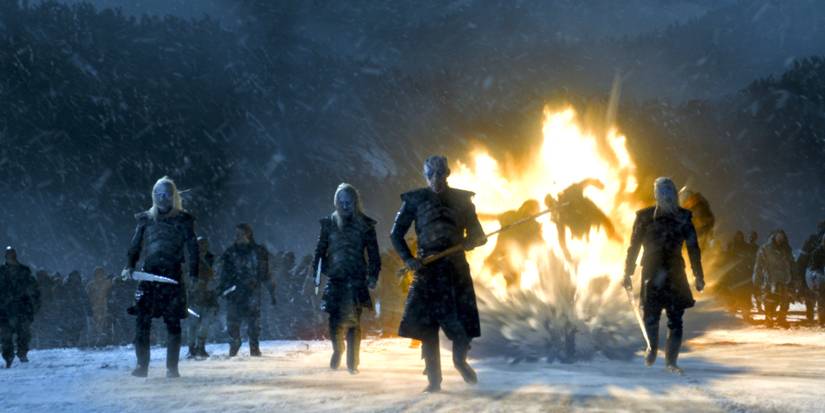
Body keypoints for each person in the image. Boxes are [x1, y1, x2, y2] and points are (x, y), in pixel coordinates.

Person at [390, 155, 487, 392]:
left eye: (440, 174)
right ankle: (434, 381)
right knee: (427, 327)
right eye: (431, 174)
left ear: (447, 174)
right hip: (427, 270)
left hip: (455, 270)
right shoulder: (415, 200)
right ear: (425, 176)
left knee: (461, 325)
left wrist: (470, 241)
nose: (436, 179)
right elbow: (396, 234)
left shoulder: (462, 201)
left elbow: (478, 234)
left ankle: (460, 361)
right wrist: (409, 259)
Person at [624, 177, 705, 374]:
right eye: (664, 192)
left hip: (672, 272)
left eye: (669, 193)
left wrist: (698, 275)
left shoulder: (683, 217)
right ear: (657, 194)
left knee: (674, 318)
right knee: (652, 316)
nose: (667, 197)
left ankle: (670, 360)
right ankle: (653, 349)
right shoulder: (645, 217)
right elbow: (634, 246)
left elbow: (693, 248)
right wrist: (628, 271)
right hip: (654, 271)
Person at [123, 176, 199, 378]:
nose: (162, 198)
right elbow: (135, 245)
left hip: (172, 275)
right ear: (153, 195)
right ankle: (142, 366)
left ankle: (172, 368)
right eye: (158, 194)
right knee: (142, 321)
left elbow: (193, 247)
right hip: (149, 275)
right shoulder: (146, 219)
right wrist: (129, 265)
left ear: (172, 196)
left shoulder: (183, 219)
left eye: (166, 194)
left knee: (173, 322)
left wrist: (194, 273)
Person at [312, 183, 381, 374]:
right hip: (336, 278)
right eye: (341, 202)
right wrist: (317, 273)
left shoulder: (365, 225)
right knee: (335, 320)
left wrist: (373, 276)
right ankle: (338, 349)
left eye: (348, 202)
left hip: (356, 278)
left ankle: (352, 363)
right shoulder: (329, 223)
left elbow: (374, 255)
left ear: (355, 202)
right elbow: (320, 251)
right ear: (336, 202)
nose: (345, 206)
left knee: (354, 322)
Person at [218, 223, 275, 357]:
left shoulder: (258, 251)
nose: (237, 236)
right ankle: (235, 343)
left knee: (253, 322)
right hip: (234, 291)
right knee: (233, 322)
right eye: (236, 233)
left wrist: (271, 290)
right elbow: (224, 272)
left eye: (240, 233)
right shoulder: (230, 252)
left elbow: (265, 272)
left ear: (248, 234)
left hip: (252, 291)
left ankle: (254, 347)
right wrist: (222, 288)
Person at [545, 179, 621, 261]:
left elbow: (585, 182)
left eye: (553, 204)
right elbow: (561, 239)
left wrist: (597, 183)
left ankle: (612, 234)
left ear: (556, 200)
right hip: (580, 227)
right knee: (600, 221)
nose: (556, 209)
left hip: (589, 212)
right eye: (552, 207)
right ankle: (611, 236)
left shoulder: (569, 193)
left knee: (603, 219)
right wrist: (567, 254)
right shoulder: (559, 218)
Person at [478, 199, 544, 287]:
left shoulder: (533, 225)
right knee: (480, 282)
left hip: (509, 263)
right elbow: (490, 217)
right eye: (536, 209)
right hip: (501, 259)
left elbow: (540, 245)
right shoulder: (512, 216)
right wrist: (474, 216)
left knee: (510, 288)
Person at [0, 247, 40, 368]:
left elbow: (33, 288)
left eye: (12, 255)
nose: (11, 257)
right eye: (9, 255)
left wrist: (34, 304)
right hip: (5, 310)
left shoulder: (24, 271)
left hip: (22, 308)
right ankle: (8, 357)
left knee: (24, 334)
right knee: (6, 336)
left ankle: (22, 353)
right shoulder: (2, 272)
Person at [753, 230, 794, 328]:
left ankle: (781, 319)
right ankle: (769, 319)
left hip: (785, 279)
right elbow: (758, 266)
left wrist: (794, 278)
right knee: (770, 301)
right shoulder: (765, 249)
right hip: (770, 279)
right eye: (778, 237)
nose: (780, 239)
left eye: (782, 237)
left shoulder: (787, 249)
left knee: (785, 301)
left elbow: (792, 264)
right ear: (774, 237)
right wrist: (757, 280)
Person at [186, 236, 218, 359]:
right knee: (192, 325)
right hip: (194, 297)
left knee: (205, 324)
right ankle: (191, 348)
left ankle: (200, 347)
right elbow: (187, 278)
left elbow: (216, 277)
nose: (202, 247)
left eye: (204, 244)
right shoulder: (191, 260)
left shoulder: (212, 260)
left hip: (208, 297)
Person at [795, 221, 825, 324]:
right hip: (811, 271)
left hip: (814, 271)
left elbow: (801, 260)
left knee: (816, 296)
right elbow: (803, 259)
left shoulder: (812, 240)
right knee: (811, 295)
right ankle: (811, 315)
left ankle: (815, 316)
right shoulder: (812, 240)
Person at [87, 267, 114, 347]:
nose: (100, 276)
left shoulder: (107, 283)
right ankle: (95, 340)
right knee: (95, 324)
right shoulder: (91, 285)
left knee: (103, 323)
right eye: (98, 274)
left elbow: (112, 289)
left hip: (104, 307)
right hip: (95, 307)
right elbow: (87, 296)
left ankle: (102, 340)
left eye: (101, 273)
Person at [803, 235, 825, 327]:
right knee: (822, 300)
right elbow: (813, 267)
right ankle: (822, 321)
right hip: (820, 279)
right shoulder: (817, 252)